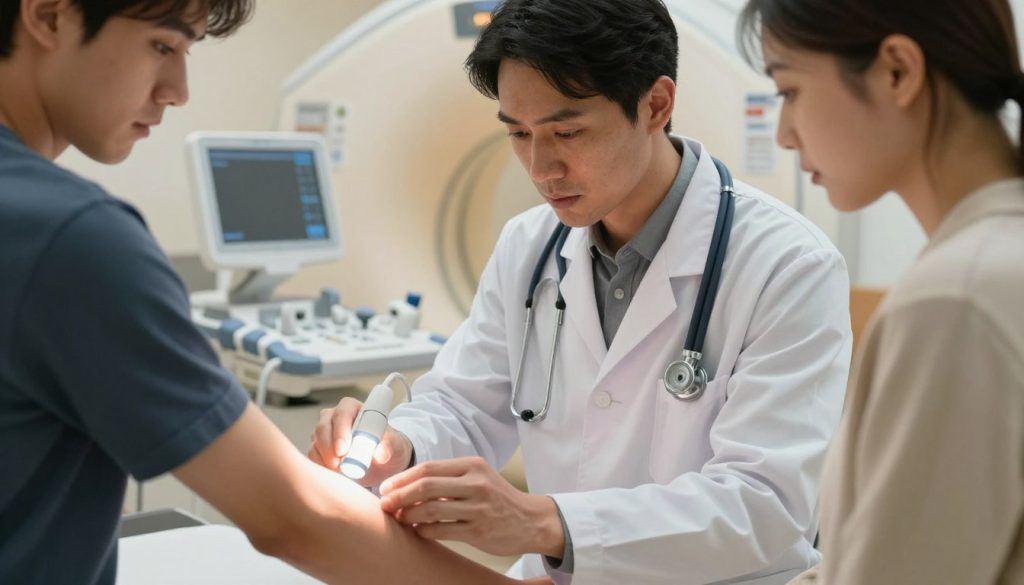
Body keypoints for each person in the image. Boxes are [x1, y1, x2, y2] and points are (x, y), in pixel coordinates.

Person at [0, 1, 554, 584]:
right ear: (50, 15)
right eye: (163, 46)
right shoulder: (74, 239)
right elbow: (292, 518)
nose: (178, 91)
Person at [310, 0, 853, 582]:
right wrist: (401, 445)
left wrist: (546, 523)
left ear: (656, 105)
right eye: (519, 133)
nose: (541, 167)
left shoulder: (788, 265)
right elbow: (464, 406)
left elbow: (763, 505)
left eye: (567, 132)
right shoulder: (528, 246)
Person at [737, 0, 1024, 583]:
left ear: (897, 71)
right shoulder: (991, 261)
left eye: (789, 90)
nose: (784, 134)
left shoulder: (955, 301)